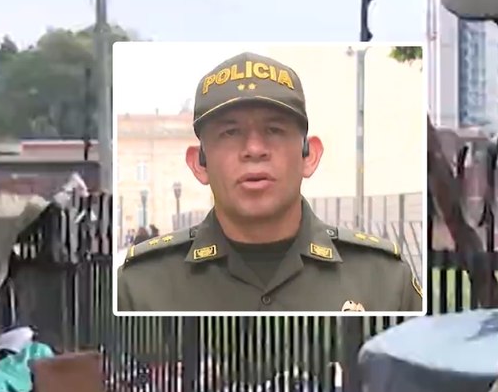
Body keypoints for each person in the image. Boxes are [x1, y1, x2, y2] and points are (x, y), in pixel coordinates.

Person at [116, 51, 423, 313]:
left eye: (274, 130)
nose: (254, 149)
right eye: (230, 133)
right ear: (199, 163)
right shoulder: (140, 288)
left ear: (309, 156)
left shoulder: (384, 282)